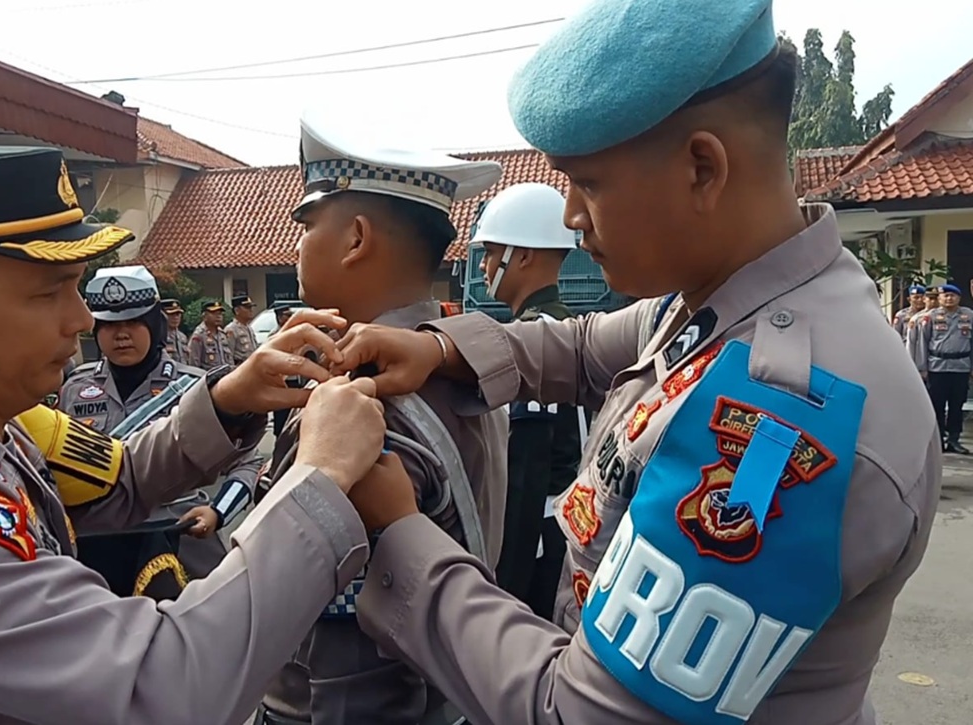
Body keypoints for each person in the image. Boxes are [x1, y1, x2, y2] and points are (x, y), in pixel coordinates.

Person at [332, 2, 941, 723]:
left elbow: (586, 712)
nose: (569, 218)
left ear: (702, 168)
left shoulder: (782, 416)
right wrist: (436, 345)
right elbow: (587, 346)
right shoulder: (729, 295)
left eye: (587, 184)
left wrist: (401, 530)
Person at [0, 145, 395, 725]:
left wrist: (228, 399)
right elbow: (163, 687)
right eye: (50, 292)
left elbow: (117, 480)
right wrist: (320, 478)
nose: (83, 320)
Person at [256, 116, 509, 725]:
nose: (296, 248)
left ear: (355, 239)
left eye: (307, 227)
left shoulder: (362, 404)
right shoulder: (452, 360)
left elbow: (353, 657)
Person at [59, 265, 259, 595]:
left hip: (178, 533)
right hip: (96, 544)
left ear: (154, 323)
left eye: (133, 321)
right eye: (109, 324)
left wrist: (218, 511)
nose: (121, 334)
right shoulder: (75, 389)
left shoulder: (194, 387)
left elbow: (248, 462)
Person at [470, 182, 587, 621]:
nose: (484, 266)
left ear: (522, 256)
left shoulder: (532, 339)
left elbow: (527, 472)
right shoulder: (569, 327)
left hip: (539, 540)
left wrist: (506, 583)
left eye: (491, 253)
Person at [912, 283, 973, 454]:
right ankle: (938, 439)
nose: (949, 298)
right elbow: (922, 343)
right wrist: (922, 368)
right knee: (937, 405)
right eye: (945, 295)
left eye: (952, 296)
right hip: (937, 367)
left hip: (961, 367)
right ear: (939, 298)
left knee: (957, 405)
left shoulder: (969, 316)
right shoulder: (929, 317)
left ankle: (954, 439)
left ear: (959, 298)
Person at [270, 301, 301, 437]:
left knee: (293, 413)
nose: (289, 318)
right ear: (280, 317)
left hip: (295, 377)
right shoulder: (274, 336)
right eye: (286, 316)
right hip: (282, 380)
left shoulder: (295, 333)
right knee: (281, 415)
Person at [189, 299, 232, 368]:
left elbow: (230, 360)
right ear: (204, 316)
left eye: (220, 313)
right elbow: (194, 364)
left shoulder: (222, 335)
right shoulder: (199, 336)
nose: (218, 316)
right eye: (214, 313)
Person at [226, 294, 260, 364]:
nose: (251, 310)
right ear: (237, 310)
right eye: (247, 307)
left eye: (251, 307)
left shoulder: (249, 328)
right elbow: (229, 356)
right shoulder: (231, 329)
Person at [161, 297, 190, 363]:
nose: (175, 318)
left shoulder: (183, 337)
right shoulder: (158, 337)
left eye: (178, 314)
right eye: (171, 314)